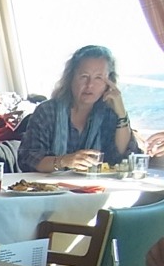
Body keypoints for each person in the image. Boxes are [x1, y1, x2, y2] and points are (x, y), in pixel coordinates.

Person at [18, 45, 139, 173]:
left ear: (109, 83)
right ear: (71, 78)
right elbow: (29, 159)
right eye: (84, 76)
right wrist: (65, 161)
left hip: (96, 184)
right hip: (49, 185)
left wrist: (121, 113)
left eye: (98, 78)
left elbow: (123, 158)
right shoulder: (47, 111)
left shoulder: (109, 114)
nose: (89, 85)